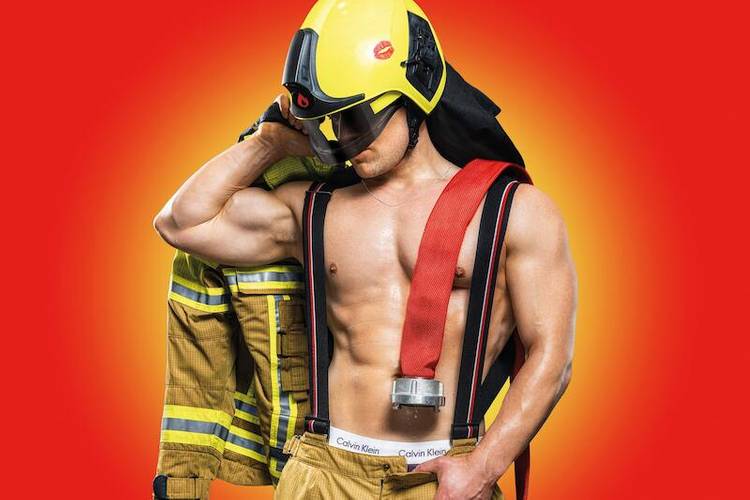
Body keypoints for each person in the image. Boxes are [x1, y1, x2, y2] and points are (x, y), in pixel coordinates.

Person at [154, 1, 576, 498]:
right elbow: (182, 222)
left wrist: (482, 468)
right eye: (332, 122)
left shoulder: (512, 211)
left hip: (442, 473)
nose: (346, 139)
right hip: (323, 471)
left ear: (415, 92)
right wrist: (269, 141)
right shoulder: (316, 210)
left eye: (359, 117)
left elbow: (551, 355)